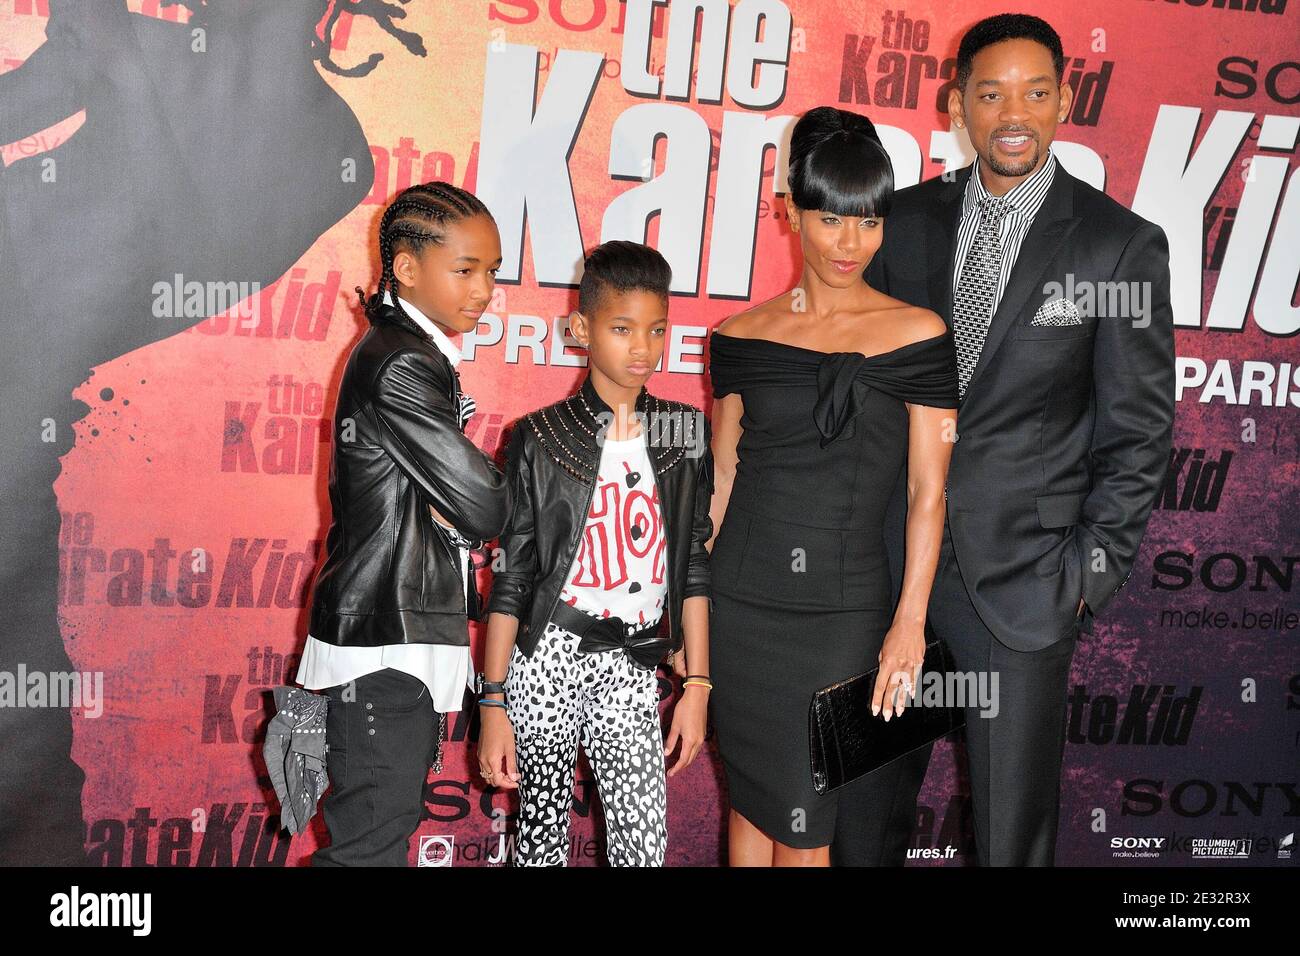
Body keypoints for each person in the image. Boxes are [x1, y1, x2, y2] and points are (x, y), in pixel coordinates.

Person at [833, 13, 1175, 867]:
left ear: (1064, 99)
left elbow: (1138, 431)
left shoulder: (1116, 245)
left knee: (1010, 843)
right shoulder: (899, 224)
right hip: (883, 579)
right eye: (990, 93)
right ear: (958, 104)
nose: (1011, 112)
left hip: (1024, 589)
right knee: (860, 827)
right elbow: (856, 393)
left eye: (1033, 91)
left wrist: (1086, 578)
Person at [707, 107, 959, 867]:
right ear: (789, 213)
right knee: (748, 804)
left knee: (807, 824)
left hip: (843, 612)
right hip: (738, 602)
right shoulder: (740, 338)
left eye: (869, 222)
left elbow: (928, 494)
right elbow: (722, 482)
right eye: (830, 220)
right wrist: (690, 605)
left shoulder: (918, 337)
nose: (851, 244)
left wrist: (908, 623)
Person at [478, 240, 714, 866]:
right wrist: (494, 702)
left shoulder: (684, 432)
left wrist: (697, 685)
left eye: (657, 330)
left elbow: (692, 565)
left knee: (644, 848)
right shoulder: (539, 436)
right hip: (547, 658)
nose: (643, 348)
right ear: (581, 329)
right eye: (622, 329)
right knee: (541, 846)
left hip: (632, 665)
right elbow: (512, 578)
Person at [297, 182, 512, 866]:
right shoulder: (400, 364)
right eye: (465, 269)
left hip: (393, 635)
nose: (483, 289)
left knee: (376, 840)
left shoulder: (408, 353)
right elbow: (486, 505)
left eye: (491, 271)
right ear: (408, 267)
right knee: (368, 850)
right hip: (385, 640)